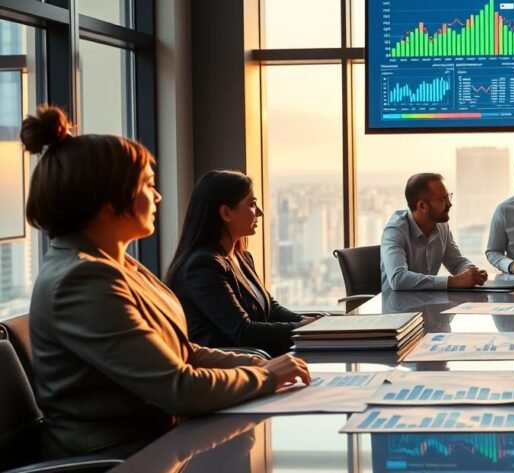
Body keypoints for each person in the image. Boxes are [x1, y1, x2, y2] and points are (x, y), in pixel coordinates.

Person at [22, 106, 309, 459]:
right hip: (122, 457)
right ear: (109, 201)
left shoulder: (120, 265)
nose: (158, 197)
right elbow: (178, 388)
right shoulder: (81, 280)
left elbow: (182, 352)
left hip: (164, 439)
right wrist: (266, 377)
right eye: (147, 184)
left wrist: (257, 365)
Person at [165, 171, 317, 357]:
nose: (259, 212)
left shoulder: (242, 257)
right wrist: (303, 328)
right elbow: (244, 332)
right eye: (252, 204)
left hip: (264, 359)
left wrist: (308, 322)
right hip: (232, 369)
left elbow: (271, 308)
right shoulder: (203, 266)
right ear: (226, 213)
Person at [380, 173, 488, 290]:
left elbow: (456, 263)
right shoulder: (395, 231)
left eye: (448, 197)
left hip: (430, 302)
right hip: (398, 306)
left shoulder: (441, 225)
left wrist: (472, 273)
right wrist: (453, 281)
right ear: (422, 206)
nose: (449, 204)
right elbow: (398, 279)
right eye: (442, 200)